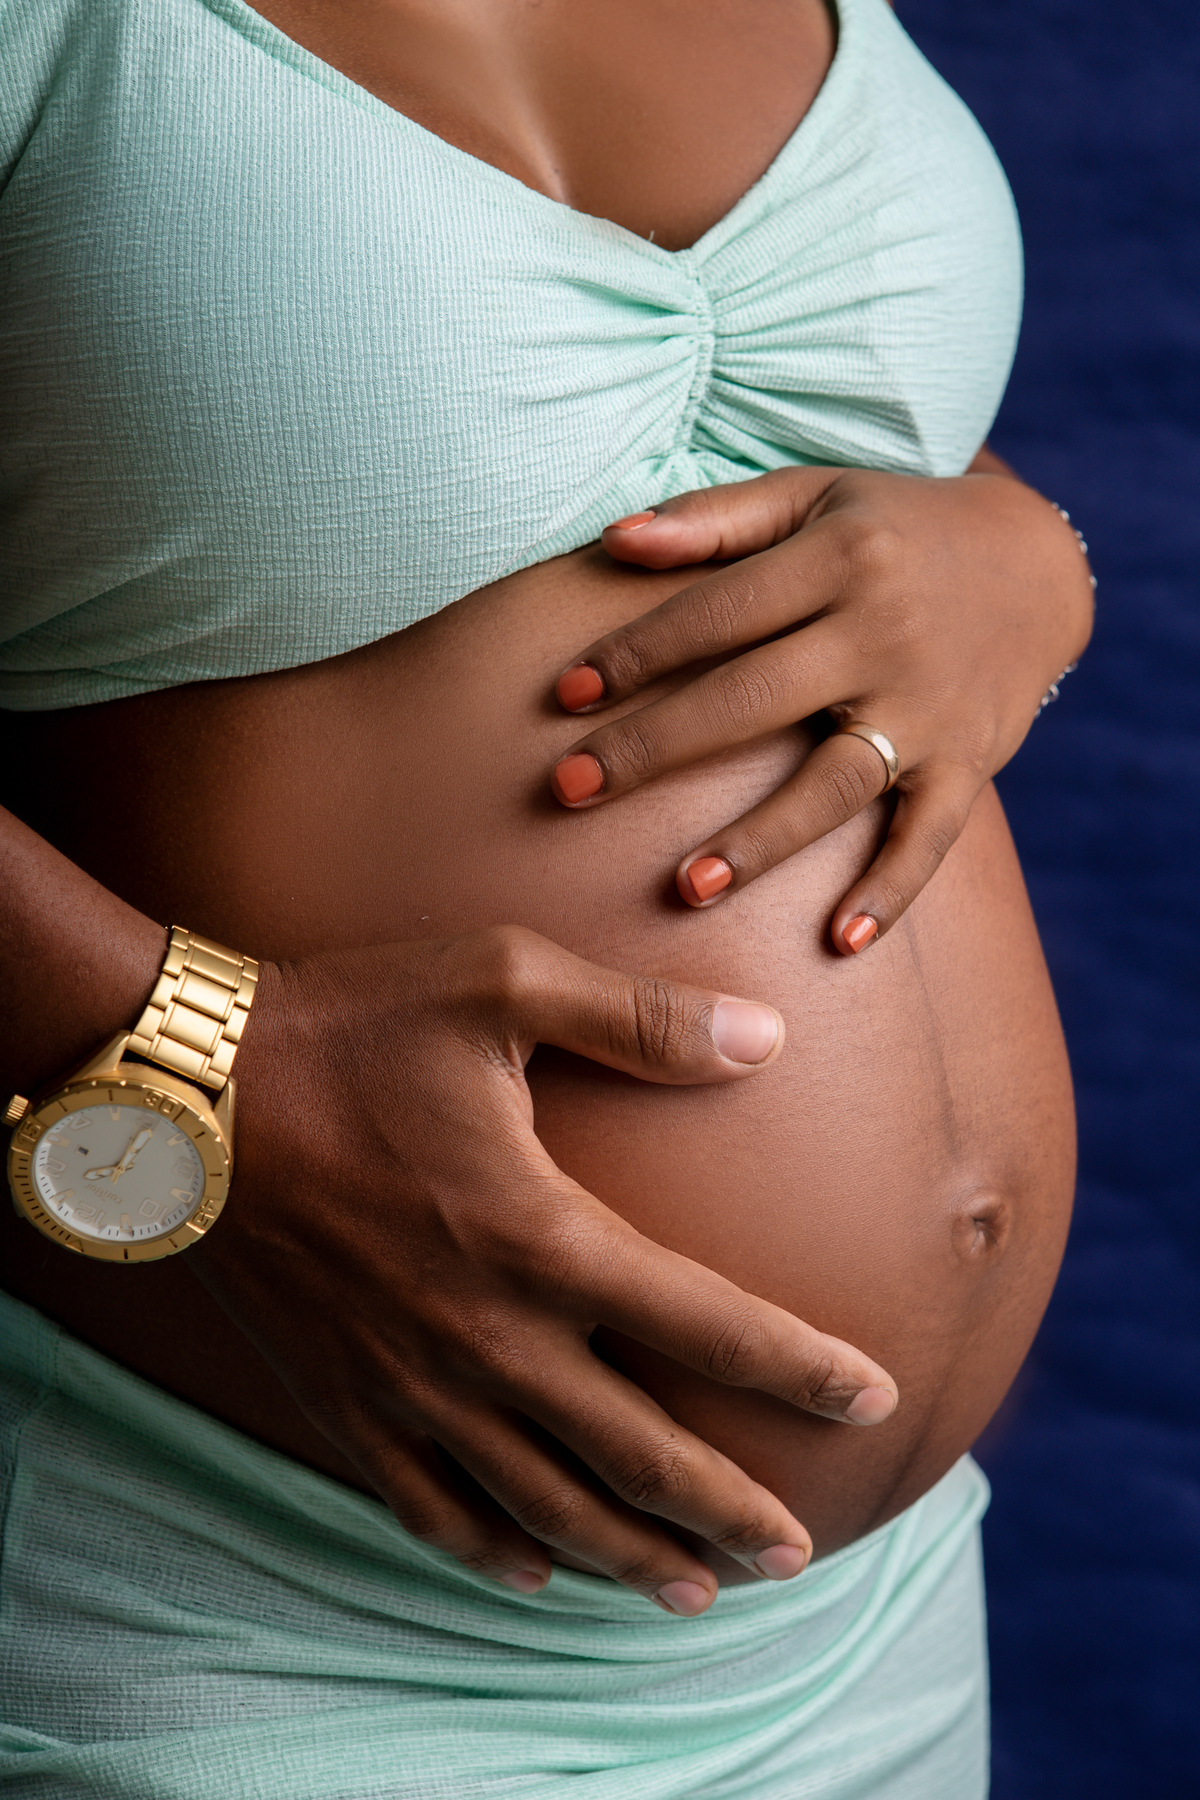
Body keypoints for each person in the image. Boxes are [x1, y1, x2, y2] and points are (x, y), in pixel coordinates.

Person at [0, 0, 1094, 1792]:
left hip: (871, 1635)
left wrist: (1027, 555)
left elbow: (661, 452)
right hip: (243, 1623)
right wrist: (179, 1066)